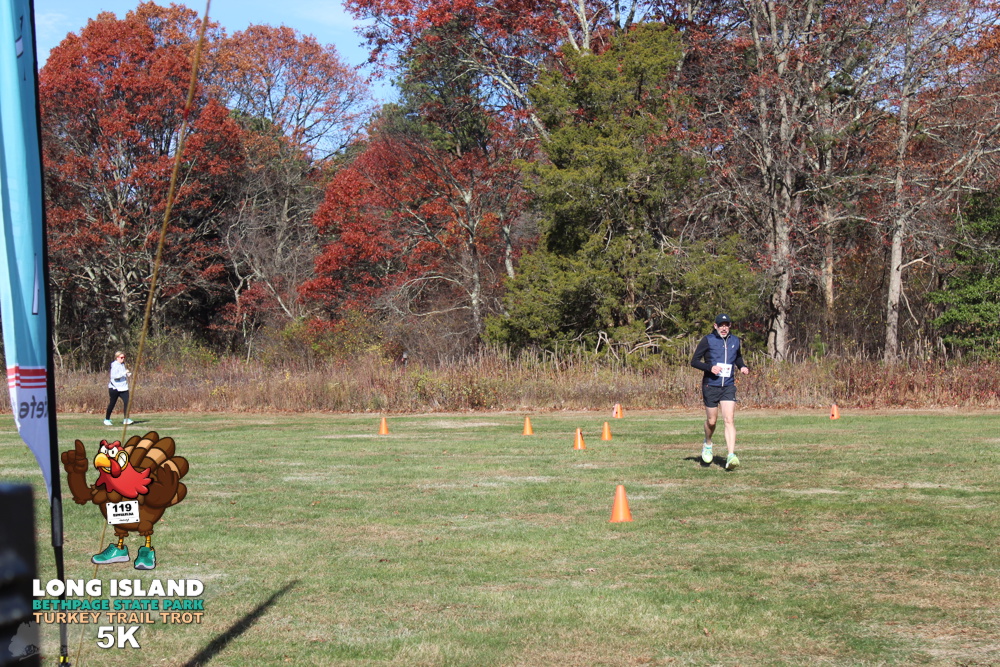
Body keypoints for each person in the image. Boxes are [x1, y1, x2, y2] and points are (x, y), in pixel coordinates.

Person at [690, 314, 749, 470]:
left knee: (729, 419)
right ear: (715, 326)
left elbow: (738, 357)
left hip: (728, 386)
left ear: (730, 326)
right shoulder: (708, 340)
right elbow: (694, 361)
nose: (724, 328)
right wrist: (710, 368)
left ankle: (731, 455)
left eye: (726, 325)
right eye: (721, 325)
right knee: (712, 421)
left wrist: (742, 366)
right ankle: (708, 443)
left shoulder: (735, 341)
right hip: (711, 385)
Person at [104, 351, 134, 426]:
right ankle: (107, 419)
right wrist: (124, 373)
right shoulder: (114, 365)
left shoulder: (122, 365)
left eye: (124, 357)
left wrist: (127, 374)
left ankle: (126, 419)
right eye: (121, 357)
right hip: (115, 388)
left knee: (127, 402)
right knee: (112, 403)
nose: (123, 359)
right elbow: (114, 376)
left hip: (123, 387)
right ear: (117, 357)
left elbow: (122, 374)